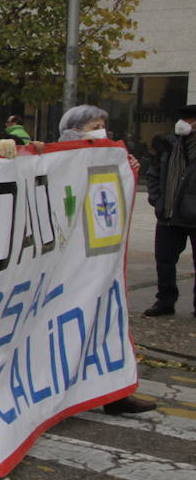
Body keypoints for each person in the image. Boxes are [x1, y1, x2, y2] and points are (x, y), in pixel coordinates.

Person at [55, 105, 155, 416]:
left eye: (103, 125)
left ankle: (117, 391)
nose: (101, 131)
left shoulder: (107, 157)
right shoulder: (58, 159)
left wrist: (127, 169)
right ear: (73, 129)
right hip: (70, 266)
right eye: (93, 126)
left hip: (100, 260)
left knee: (109, 323)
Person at [143, 103, 196, 318]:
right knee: (164, 261)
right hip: (168, 215)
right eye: (182, 118)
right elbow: (154, 173)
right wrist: (157, 200)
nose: (183, 123)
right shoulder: (169, 144)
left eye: (189, 120)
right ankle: (165, 301)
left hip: (193, 215)